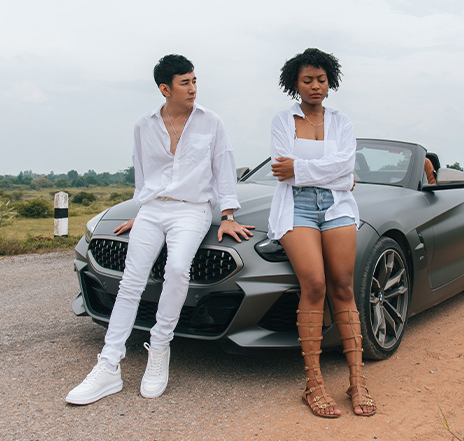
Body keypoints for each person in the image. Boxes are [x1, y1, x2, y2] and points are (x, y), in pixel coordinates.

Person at [66, 54, 253, 405]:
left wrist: (228, 214)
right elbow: (144, 174)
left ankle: (160, 346)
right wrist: (141, 211)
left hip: (192, 209)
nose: (193, 88)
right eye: (185, 83)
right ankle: (108, 365)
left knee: (178, 269)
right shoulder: (144, 125)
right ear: (165, 89)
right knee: (131, 281)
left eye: (194, 81)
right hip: (153, 209)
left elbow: (224, 168)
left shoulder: (211, 122)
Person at [269, 48, 376, 417]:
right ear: (295, 84)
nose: (315, 86)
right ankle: (313, 384)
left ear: (330, 82)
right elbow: (282, 170)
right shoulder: (283, 120)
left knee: (343, 285)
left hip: (337, 205)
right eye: (307, 80)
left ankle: (357, 380)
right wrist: (335, 174)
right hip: (295, 206)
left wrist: (302, 169)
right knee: (314, 284)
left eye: (321, 79)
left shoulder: (342, 122)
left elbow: (346, 166)